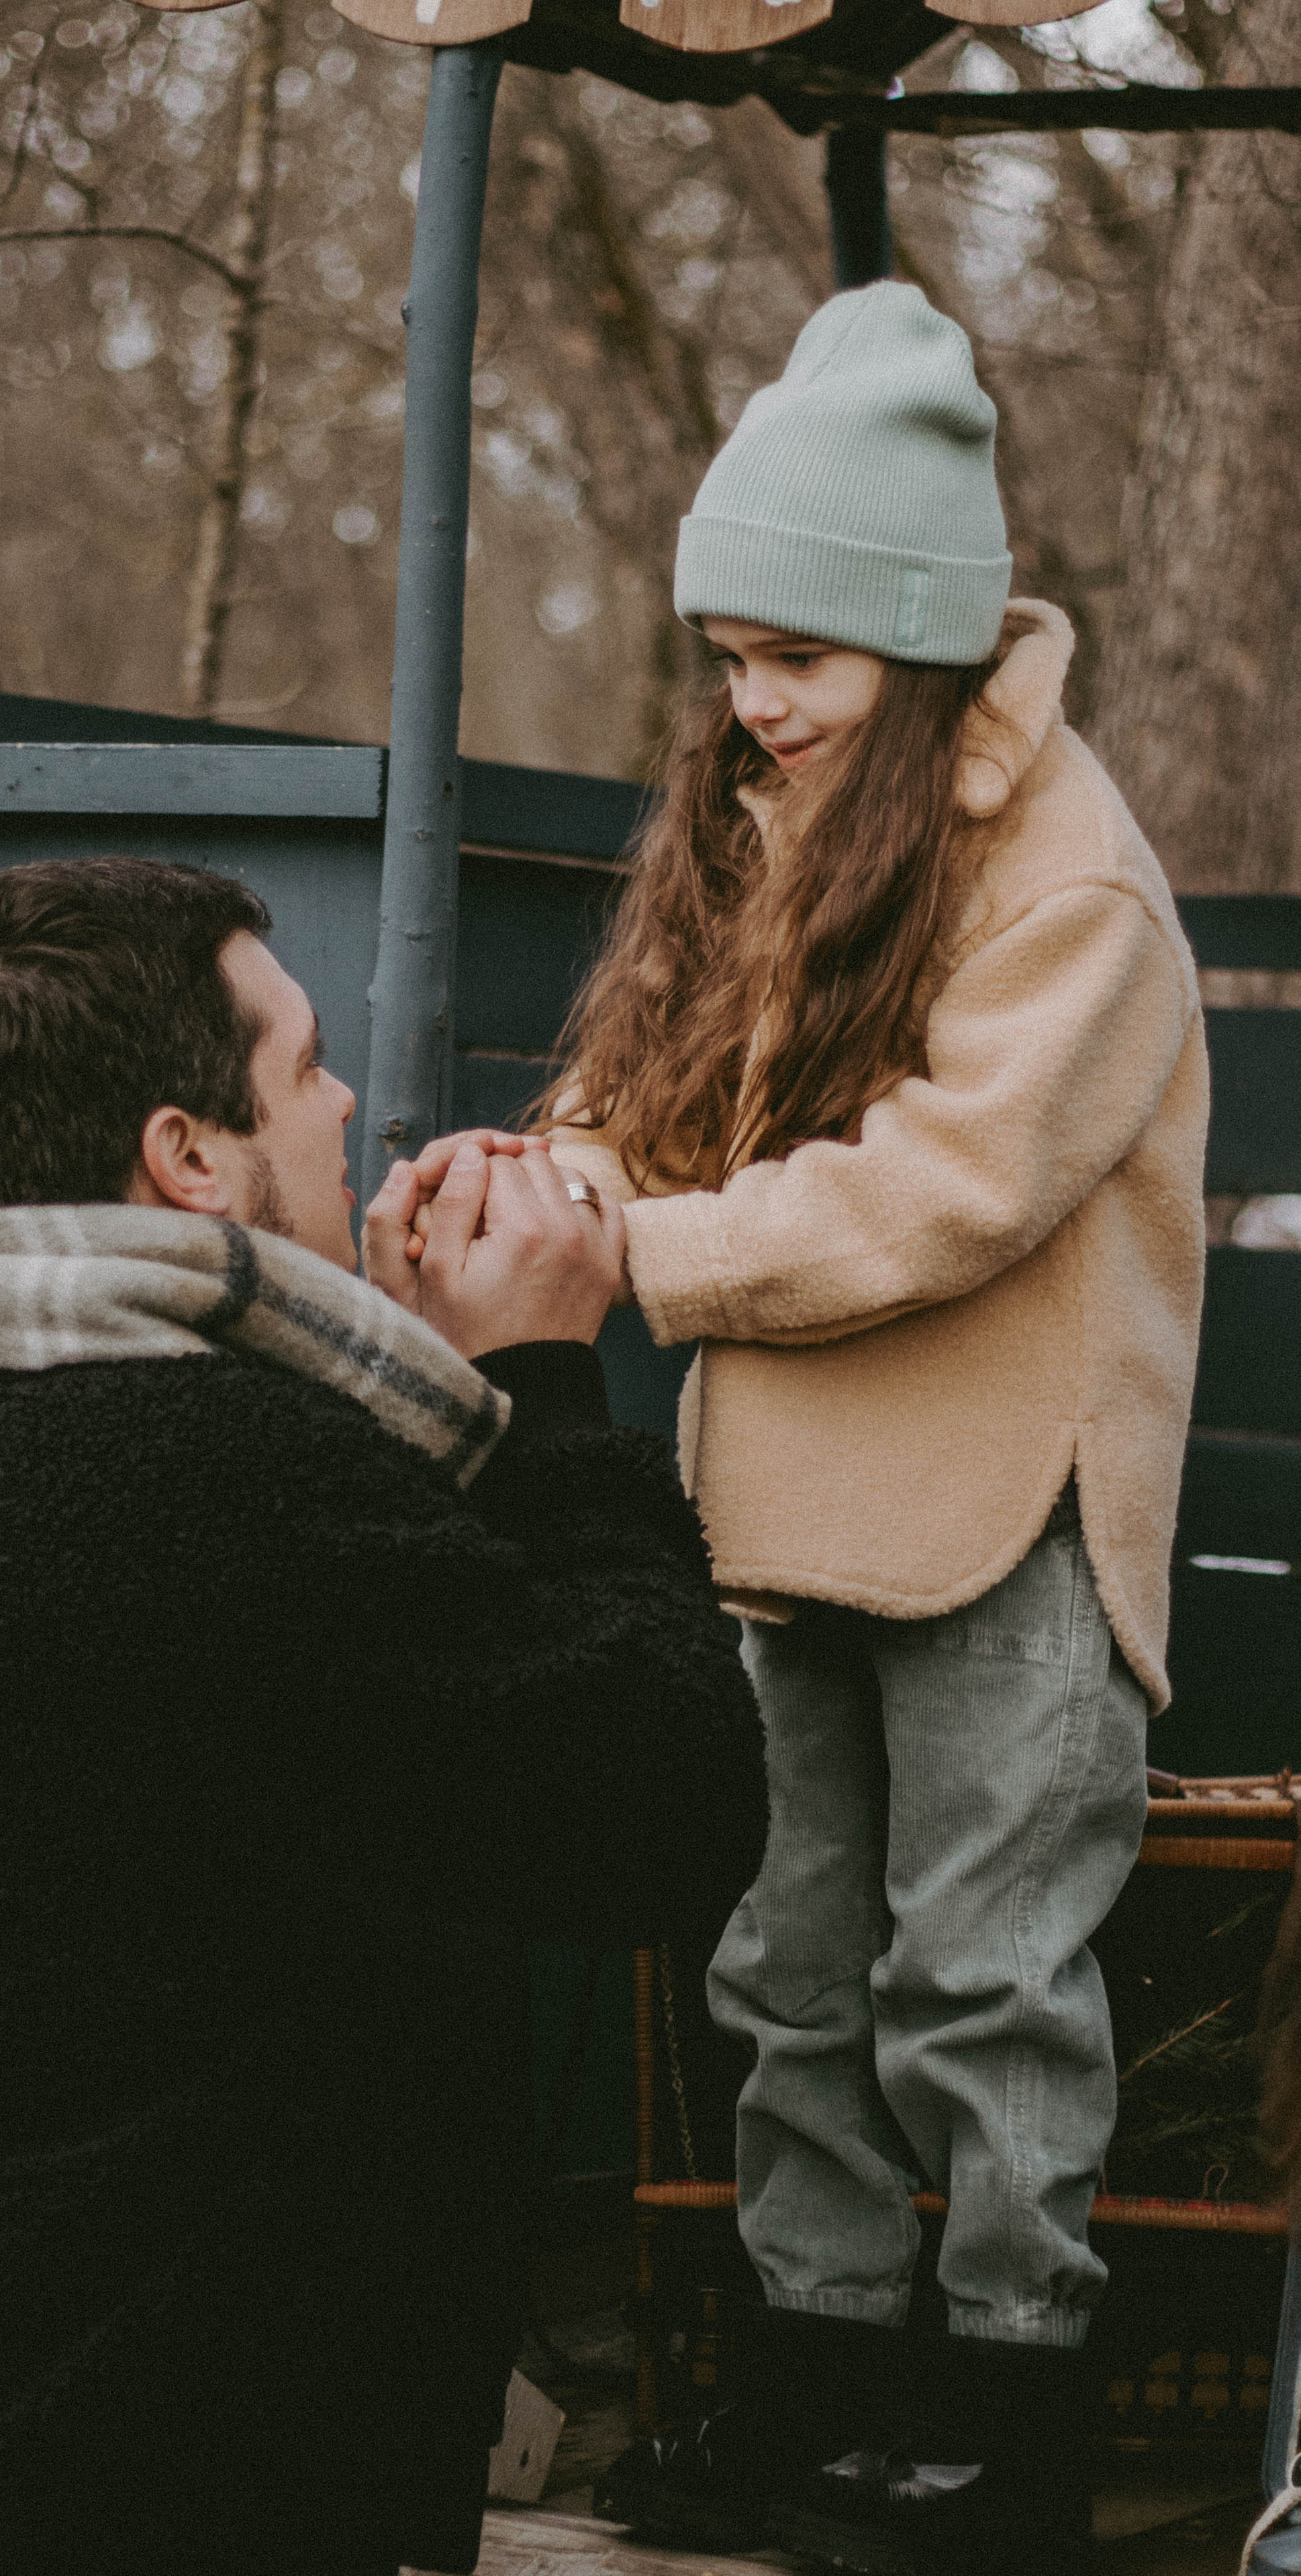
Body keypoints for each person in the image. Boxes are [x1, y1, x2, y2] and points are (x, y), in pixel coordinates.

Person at [0, 856, 765, 2576]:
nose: (345, 1104)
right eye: (303, 1066)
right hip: (147, 2493)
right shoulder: (227, 1478)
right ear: (185, 1156)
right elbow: (662, 1803)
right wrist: (540, 1381)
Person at [407, 285, 1208, 2573]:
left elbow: (944, 1197)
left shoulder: (1073, 885)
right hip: (779, 1512)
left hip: (1008, 1518)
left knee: (984, 1989)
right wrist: (524, 1192)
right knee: (784, 1976)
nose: (750, 703)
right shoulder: (780, 827)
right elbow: (647, 1099)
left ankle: (1005, 2437)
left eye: (799, 657)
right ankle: (821, 2398)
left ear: (923, 639)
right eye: (732, 657)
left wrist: (625, 1266)